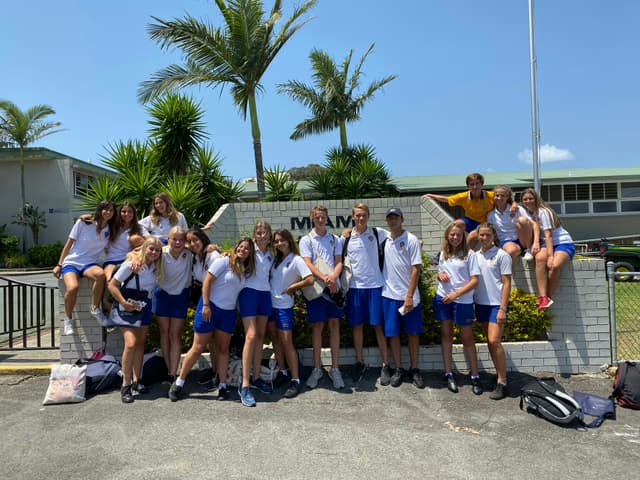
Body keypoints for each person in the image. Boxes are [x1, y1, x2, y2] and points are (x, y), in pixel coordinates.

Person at [169, 238, 255, 402]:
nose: (243, 250)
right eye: (241, 246)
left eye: (247, 249)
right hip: (210, 307)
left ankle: (222, 386)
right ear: (236, 247)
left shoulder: (245, 270)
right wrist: (206, 305)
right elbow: (207, 281)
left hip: (228, 312)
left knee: (223, 349)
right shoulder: (224, 261)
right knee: (198, 347)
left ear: (250, 253)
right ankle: (179, 382)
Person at [108, 237, 164, 403]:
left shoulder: (155, 267)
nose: (154, 252)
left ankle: (136, 380)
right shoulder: (132, 264)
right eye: (151, 249)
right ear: (145, 248)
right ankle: (125, 385)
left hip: (144, 306)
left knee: (140, 343)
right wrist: (124, 303)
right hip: (126, 306)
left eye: (157, 250)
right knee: (131, 343)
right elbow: (112, 285)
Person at [53, 200, 117, 335]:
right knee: (73, 288)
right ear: (100, 210)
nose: (108, 212)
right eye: (105, 209)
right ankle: (68, 319)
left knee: (100, 275)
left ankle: (95, 308)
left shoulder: (110, 229)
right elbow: (68, 244)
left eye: (111, 210)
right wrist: (59, 264)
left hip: (90, 264)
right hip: (72, 262)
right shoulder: (83, 223)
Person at [299, 205, 345, 390]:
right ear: (312, 218)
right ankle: (317, 368)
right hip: (318, 289)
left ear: (327, 218)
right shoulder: (306, 240)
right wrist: (325, 278)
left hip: (333, 288)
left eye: (323, 217)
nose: (320, 220)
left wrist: (333, 277)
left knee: (334, 325)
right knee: (317, 327)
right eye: (317, 217)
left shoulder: (335, 239)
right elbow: (307, 263)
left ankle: (335, 368)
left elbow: (339, 262)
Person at [433, 223, 483, 395]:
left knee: (467, 338)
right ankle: (448, 373)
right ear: (447, 236)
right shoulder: (444, 254)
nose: (455, 237)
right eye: (452, 235)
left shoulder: (470, 254)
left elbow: (475, 280)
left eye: (458, 235)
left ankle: (475, 375)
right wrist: (439, 275)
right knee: (446, 335)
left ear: (463, 237)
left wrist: (456, 294)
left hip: (462, 301)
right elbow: (441, 273)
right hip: (443, 298)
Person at [343, 203, 390, 383]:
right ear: (353, 217)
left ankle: (386, 364)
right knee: (357, 326)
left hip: (375, 287)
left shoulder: (377, 233)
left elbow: (398, 235)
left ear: (368, 216)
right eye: (357, 215)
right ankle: (360, 362)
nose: (361, 218)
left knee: (378, 326)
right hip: (355, 288)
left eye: (363, 215)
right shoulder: (346, 238)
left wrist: (416, 241)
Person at [380, 208, 425, 389]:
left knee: (413, 334)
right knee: (393, 335)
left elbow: (416, 268)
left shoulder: (411, 239)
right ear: (387, 221)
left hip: (409, 297)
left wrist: (409, 295)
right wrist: (347, 232)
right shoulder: (384, 238)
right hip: (389, 296)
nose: (393, 221)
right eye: (390, 218)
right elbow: (360, 230)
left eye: (396, 217)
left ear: (402, 219)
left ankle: (414, 369)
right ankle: (398, 368)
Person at [269, 229, 314, 398]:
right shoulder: (275, 259)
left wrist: (293, 287)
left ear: (289, 241)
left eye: (282, 240)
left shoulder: (296, 259)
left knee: (287, 342)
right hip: (270, 305)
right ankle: (283, 372)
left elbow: (310, 279)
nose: (279, 243)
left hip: (284, 307)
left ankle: (295, 380)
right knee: (275, 339)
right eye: (276, 241)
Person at [238, 221, 275, 407]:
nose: (261, 236)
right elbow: (235, 254)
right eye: (258, 233)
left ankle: (257, 377)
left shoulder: (271, 254)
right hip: (249, 293)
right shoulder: (250, 249)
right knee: (251, 336)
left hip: (265, 294)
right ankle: (245, 385)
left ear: (269, 236)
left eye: (264, 233)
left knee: (260, 336)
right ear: (254, 235)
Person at [473, 222, 512, 400]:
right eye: (481, 235)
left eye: (487, 235)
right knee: (490, 342)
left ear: (493, 236)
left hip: (496, 305)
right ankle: (498, 375)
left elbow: (507, 283)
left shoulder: (502, 255)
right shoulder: (475, 256)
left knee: (494, 341)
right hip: (480, 304)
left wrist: (503, 308)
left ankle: (503, 382)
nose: (484, 238)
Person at [519, 188, 575, 309]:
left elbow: (548, 235)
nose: (528, 201)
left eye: (531, 198)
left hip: (562, 243)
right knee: (539, 259)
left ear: (536, 199)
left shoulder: (543, 211)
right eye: (525, 199)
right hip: (547, 244)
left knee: (554, 266)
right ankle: (543, 297)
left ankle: (547, 297)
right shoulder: (530, 213)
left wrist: (550, 256)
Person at [155, 226, 192, 384]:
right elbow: (140, 253)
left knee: (174, 334)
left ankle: (173, 372)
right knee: (164, 333)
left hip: (180, 296)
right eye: (174, 239)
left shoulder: (189, 253)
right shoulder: (160, 252)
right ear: (168, 239)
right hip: (162, 294)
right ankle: (168, 370)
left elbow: (206, 248)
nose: (177, 242)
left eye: (181, 240)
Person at [186, 228, 221, 388]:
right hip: (203, 298)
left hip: (214, 300)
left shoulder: (212, 255)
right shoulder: (195, 256)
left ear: (203, 239)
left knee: (215, 339)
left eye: (196, 240)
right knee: (211, 340)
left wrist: (206, 304)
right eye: (190, 241)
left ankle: (219, 374)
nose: (193, 244)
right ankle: (215, 370)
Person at [102, 202, 147, 291]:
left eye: (130, 211)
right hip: (111, 261)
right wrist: (87, 217)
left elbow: (150, 240)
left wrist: (136, 251)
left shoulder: (139, 228)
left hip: (127, 260)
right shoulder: (112, 226)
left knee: (124, 283)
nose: (126, 214)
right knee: (109, 281)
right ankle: (109, 299)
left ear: (134, 214)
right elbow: (99, 221)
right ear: (119, 213)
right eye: (123, 211)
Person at [487, 185, 529, 262]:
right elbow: (491, 231)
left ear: (507, 197)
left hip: (522, 240)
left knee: (522, 220)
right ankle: (509, 270)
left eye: (502, 196)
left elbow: (529, 223)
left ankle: (528, 249)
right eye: (497, 195)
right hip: (505, 241)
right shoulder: (491, 214)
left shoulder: (517, 209)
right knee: (511, 251)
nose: (499, 198)